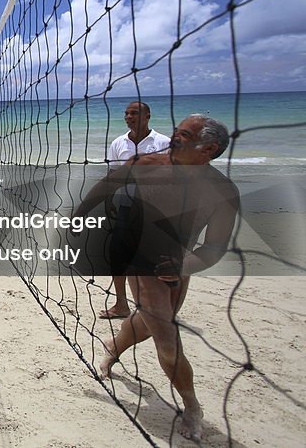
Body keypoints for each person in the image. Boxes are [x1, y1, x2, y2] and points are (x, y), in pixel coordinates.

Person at [77, 114, 239, 441]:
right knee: (167, 339)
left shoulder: (221, 191)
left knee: (152, 324)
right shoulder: (148, 162)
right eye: (176, 131)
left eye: (184, 135)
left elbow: (214, 247)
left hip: (178, 262)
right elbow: (108, 183)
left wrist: (184, 265)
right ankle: (192, 405)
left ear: (208, 149)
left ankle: (112, 346)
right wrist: (79, 218)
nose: (174, 138)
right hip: (138, 256)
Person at [99, 101, 172, 319]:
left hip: (156, 207)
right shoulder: (119, 143)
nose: (129, 117)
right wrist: (107, 199)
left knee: (157, 257)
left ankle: (162, 306)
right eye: (126, 113)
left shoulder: (163, 142)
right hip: (127, 205)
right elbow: (113, 174)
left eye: (134, 113)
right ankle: (121, 304)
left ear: (147, 116)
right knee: (118, 254)